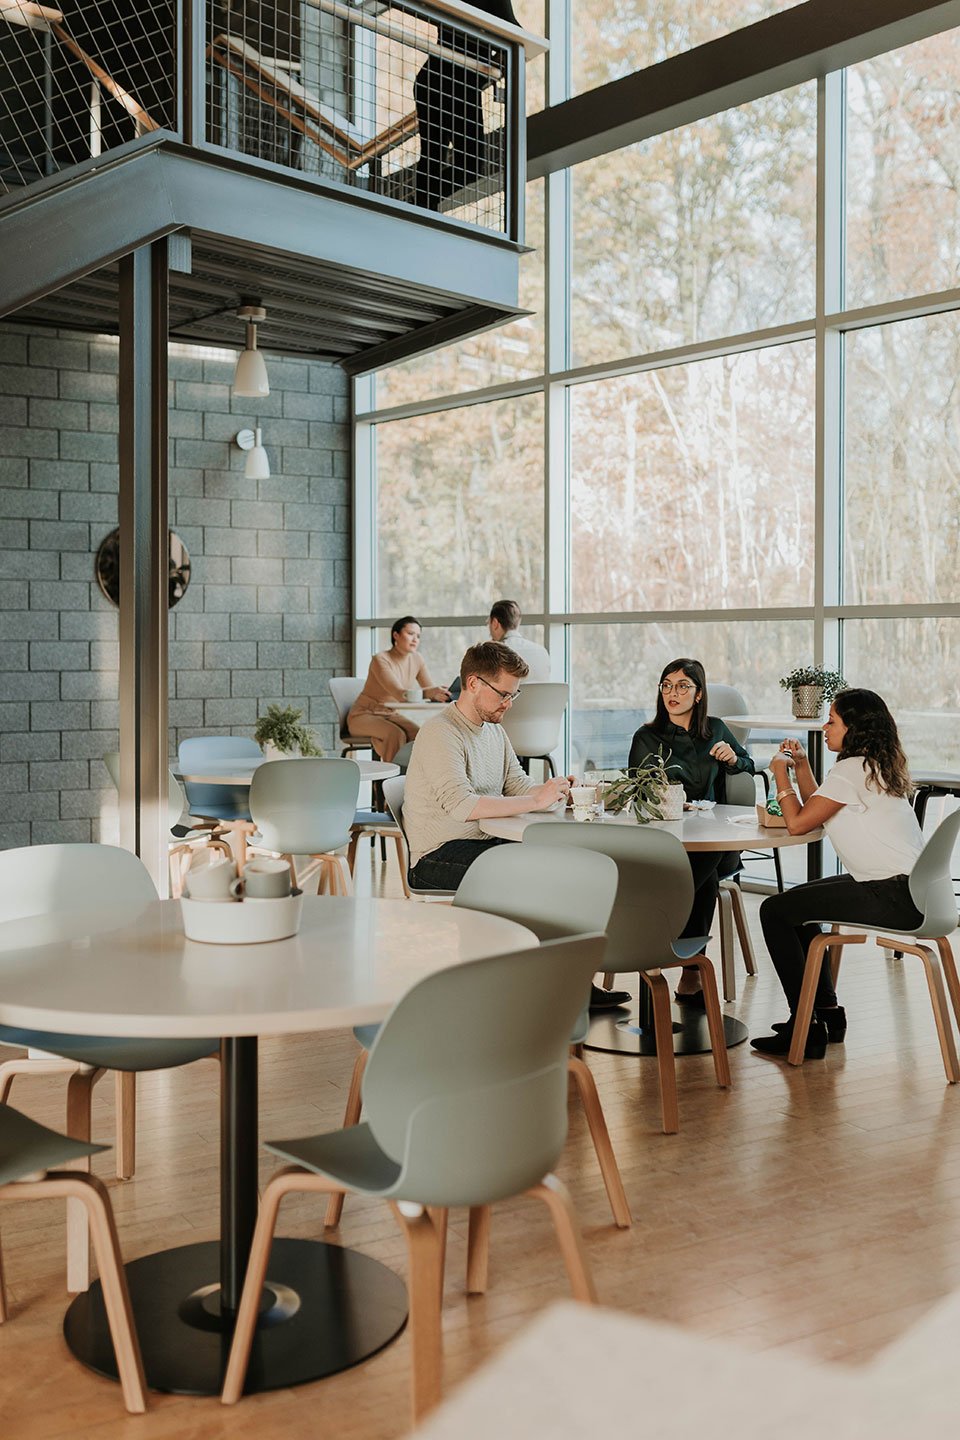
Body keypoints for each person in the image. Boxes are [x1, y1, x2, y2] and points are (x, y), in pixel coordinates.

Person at [403, 640, 631, 1010]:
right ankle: (541, 987)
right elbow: (461, 806)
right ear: (474, 683)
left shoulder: (494, 730)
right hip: (437, 856)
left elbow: (518, 786)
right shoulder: (440, 733)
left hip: (485, 845)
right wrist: (534, 801)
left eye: (514, 695)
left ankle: (568, 982)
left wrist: (555, 792)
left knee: (570, 868)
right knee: (538, 878)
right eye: (504, 694)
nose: (509, 704)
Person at [750, 688, 925, 1060]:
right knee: (799, 908)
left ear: (855, 728)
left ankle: (806, 1027)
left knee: (774, 911)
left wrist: (778, 773)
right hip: (910, 889)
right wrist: (800, 767)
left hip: (890, 895)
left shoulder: (851, 769)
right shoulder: (873, 765)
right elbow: (821, 807)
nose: (824, 727)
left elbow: (797, 823)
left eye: (832, 720)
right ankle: (825, 1015)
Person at [628, 658, 755, 1006]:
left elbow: (748, 764)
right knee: (708, 873)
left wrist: (732, 757)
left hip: (711, 841)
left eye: (683, 686)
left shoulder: (715, 729)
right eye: (666, 685)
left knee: (710, 854)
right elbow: (637, 786)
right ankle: (691, 970)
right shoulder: (647, 735)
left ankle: (660, 926)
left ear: (699, 695)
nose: (673, 692)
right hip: (664, 840)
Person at [413, 0, 518, 211]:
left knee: (433, 156)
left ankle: (422, 207)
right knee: (467, 164)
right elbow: (515, 35)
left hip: (435, 79)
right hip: (455, 81)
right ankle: (422, 207)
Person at [347, 616, 451, 764]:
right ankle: (388, 783)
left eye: (418, 636)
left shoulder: (417, 659)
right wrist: (430, 692)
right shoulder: (380, 659)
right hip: (363, 715)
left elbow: (428, 688)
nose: (415, 639)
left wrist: (441, 693)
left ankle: (414, 778)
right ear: (395, 635)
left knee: (419, 734)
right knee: (395, 734)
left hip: (390, 714)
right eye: (410, 634)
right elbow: (399, 693)